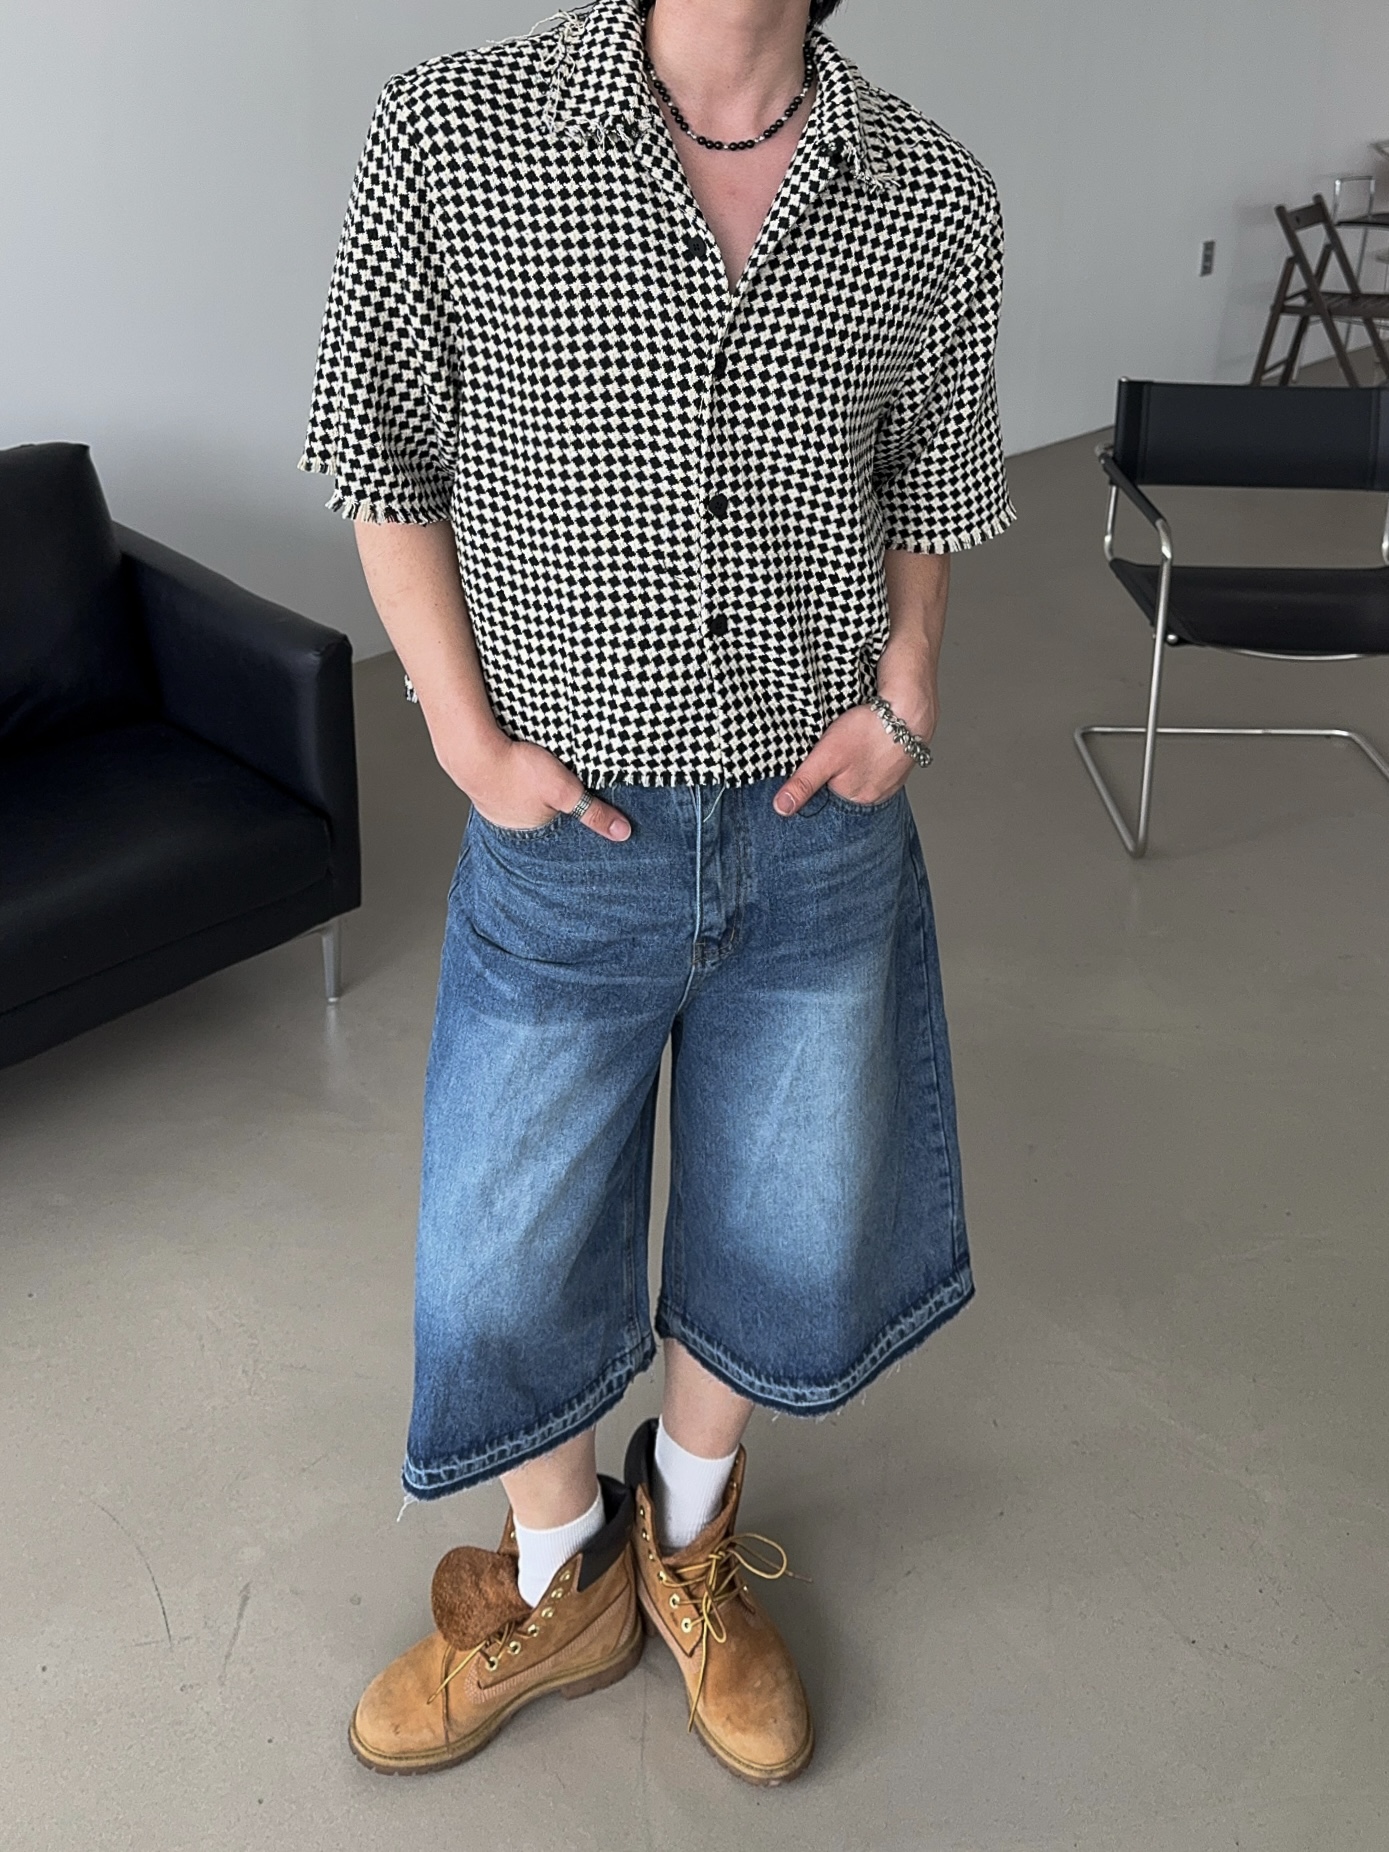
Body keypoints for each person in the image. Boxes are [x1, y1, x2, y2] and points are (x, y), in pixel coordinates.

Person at [300, 0, 1012, 1786]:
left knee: (785, 1221)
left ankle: (685, 1540)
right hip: (568, 834)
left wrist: (907, 690)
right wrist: (461, 739)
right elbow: (378, 450)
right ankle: (564, 1579)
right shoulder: (455, 131)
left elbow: (929, 478)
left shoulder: (932, 190)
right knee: (502, 1249)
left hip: (817, 826)